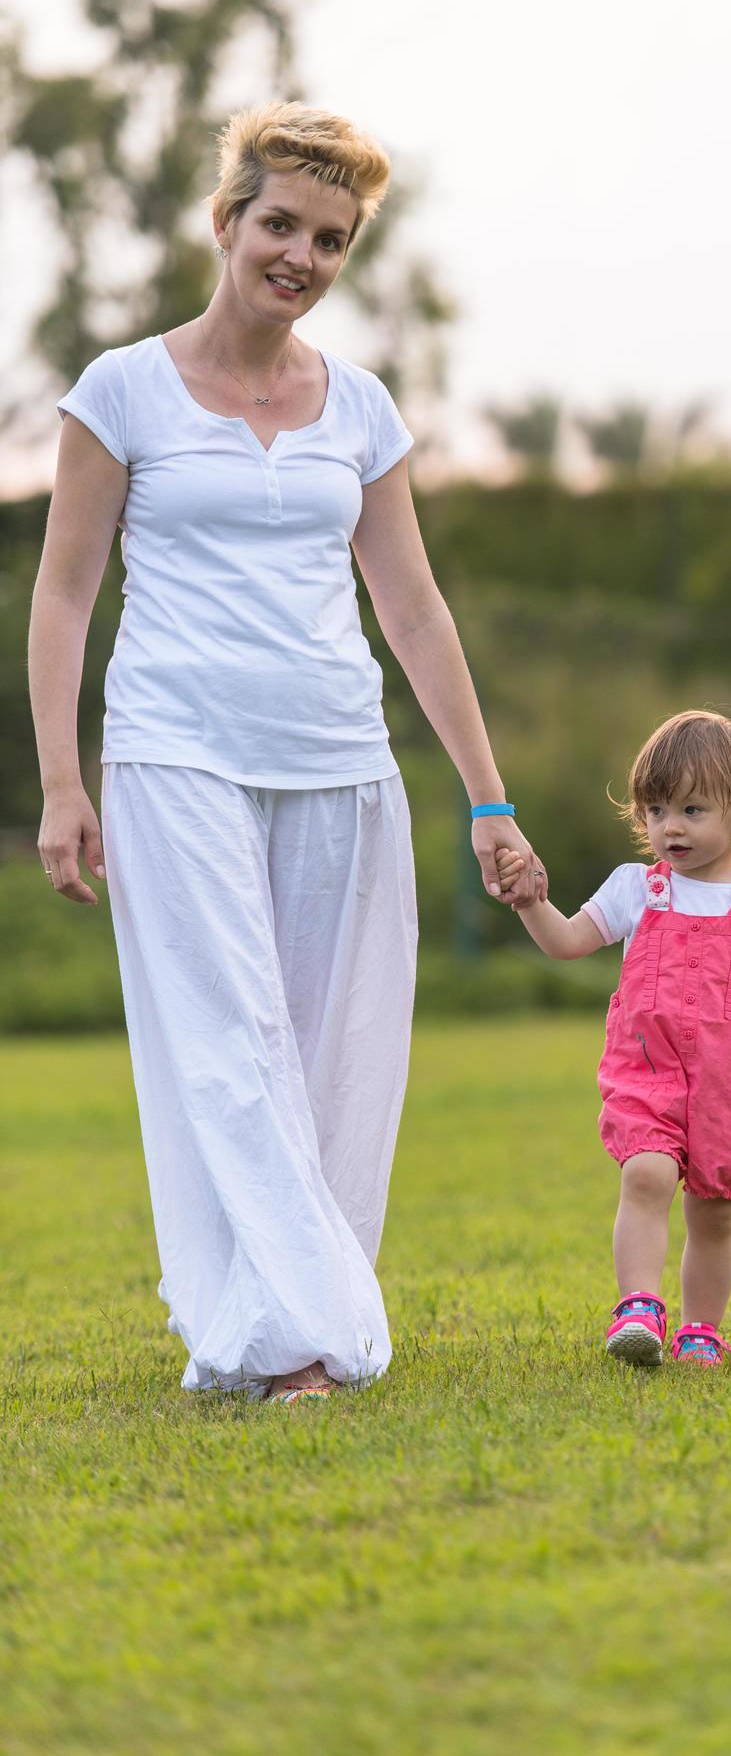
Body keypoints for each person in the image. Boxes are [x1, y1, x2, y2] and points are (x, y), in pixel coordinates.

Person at [28, 101, 545, 1403]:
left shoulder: (360, 409)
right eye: (280, 224)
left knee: (334, 1057)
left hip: (339, 760)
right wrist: (61, 781)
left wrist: (489, 798)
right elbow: (63, 594)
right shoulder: (123, 392)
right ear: (227, 221)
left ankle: (263, 1330)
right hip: (173, 753)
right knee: (229, 1040)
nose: (301, 256)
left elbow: (414, 609)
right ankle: (314, 1345)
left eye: (331, 238)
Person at [498, 709, 731, 1367]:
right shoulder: (638, 889)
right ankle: (637, 1309)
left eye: (692, 809)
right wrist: (530, 903)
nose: (671, 827)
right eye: (657, 810)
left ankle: (701, 1331)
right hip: (648, 1068)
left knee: (716, 1215)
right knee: (647, 1172)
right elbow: (569, 941)